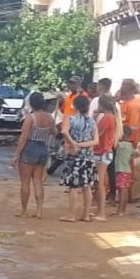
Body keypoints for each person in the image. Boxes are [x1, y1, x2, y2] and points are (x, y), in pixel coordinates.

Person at [11, 92, 58, 218]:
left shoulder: (30, 118)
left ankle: (24, 210)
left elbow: (24, 137)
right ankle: (39, 211)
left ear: (31, 103)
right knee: (38, 181)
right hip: (42, 149)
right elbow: (55, 132)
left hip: (29, 149)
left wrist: (16, 155)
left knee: (25, 182)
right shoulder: (50, 118)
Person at [58, 95, 99, 223]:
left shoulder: (70, 119)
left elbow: (64, 132)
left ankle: (71, 215)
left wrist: (73, 144)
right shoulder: (92, 121)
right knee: (87, 186)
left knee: (73, 186)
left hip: (74, 156)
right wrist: (81, 145)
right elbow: (96, 141)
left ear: (75, 106)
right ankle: (86, 215)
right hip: (88, 156)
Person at [90, 94, 118, 221]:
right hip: (103, 152)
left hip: (102, 152)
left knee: (100, 183)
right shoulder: (110, 117)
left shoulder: (107, 118)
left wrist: (94, 118)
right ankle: (99, 211)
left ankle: (101, 213)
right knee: (98, 182)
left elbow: (96, 134)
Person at [114, 126, 136, 216]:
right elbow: (135, 154)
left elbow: (114, 143)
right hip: (127, 170)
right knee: (124, 190)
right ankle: (123, 210)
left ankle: (120, 210)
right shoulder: (130, 146)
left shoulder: (121, 145)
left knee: (121, 190)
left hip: (121, 170)